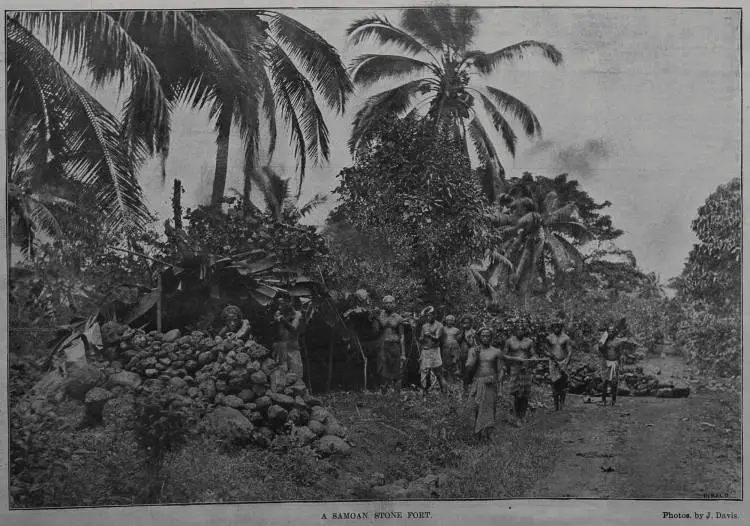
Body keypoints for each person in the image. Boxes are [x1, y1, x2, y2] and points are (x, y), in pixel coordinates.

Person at [465, 327, 503, 441]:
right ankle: (477, 433)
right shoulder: (473, 350)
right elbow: (468, 368)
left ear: (491, 337)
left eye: (487, 336)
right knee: (476, 408)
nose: (485, 338)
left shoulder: (496, 351)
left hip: (491, 383)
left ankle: (489, 433)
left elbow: (500, 370)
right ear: (479, 337)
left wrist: (500, 388)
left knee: (491, 408)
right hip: (478, 382)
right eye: (483, 336)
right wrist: (475, 357)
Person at [503, 319, 542, 425]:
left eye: (522, 329)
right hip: (515, 368)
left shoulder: (529, 341)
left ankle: (523, 415)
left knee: (525, 394)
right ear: (515, 330)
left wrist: (534, 357)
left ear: (525, 331)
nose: (520, 331)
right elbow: (504, 355)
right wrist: (515, 359)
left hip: (526, 369)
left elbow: (534, 353)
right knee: (516, 393)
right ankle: (517, 417)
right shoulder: (510, 341)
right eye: (518, 329)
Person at [373, 295, 406, 391]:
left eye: (390, 303)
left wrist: (403, 354)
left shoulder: (399, 318)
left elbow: (402, 336)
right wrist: (374, 318)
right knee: (382, 370)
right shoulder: (379, 316)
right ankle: (384, 394)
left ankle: (397, 394)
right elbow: (375, 332)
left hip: (395, 346)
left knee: (397, 371)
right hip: (383, 346)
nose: (388, 305)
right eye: (386, 303)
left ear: (394, 304)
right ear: (383, 304)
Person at [543, 319, 573, 411]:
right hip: (553, 363)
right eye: (554, 326)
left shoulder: (566, 338)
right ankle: (555, 404)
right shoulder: (549, 338)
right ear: (552, 327)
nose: (556, 328)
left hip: (563, 362)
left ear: (561, 327)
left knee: (563, 384)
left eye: (558, 326)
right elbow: (544, 349)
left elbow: (569, 351)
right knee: (554, 383)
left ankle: (562, 403)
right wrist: (549, 355)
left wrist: (566, 362)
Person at [598, 318, 627, 406]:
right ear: (607, 332)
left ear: (614, 332)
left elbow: (620, 353)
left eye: (612, 331)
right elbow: (601, 350)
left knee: (614, 382)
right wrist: (602, 342)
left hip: (614, 363)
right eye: (609, 331)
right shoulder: (604, 340)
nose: (610, 333)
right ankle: (603, 400)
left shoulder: (617, 341)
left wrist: (620, 364)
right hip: (606, 363)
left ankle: (613, 400)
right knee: (605, 382)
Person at [273, 297, 304, 378]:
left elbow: (293, 329)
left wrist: (283, 321)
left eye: (282, 304)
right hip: (281, 349)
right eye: (279, 304)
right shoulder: (280, 313)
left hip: (292, 348)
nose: (280, 307)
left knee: (296, 376)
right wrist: (276, 321)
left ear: (289, 303)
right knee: (281, 378)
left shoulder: (297, 314)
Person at [419, 331, 446, 396]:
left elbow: (439, 340)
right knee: (425, 374)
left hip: (435, 352)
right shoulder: (424, 326)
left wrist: (430, 335)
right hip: (426, 351)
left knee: (439, 374)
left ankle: (445, 394)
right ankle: (425, 394)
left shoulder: (439, 326)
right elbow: (421, 340)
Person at [457, 315, 477, 388]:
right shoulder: (461, 332)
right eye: (464, 322)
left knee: (470, 371)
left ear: (471, 323)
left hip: (471, 355)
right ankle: (465, 388)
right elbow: (458, 341)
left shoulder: (473, 332)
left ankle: (471, 386)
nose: (466, 324)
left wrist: (466, 338)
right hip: (463, 355)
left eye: (468, 323)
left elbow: (471, 344)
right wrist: (463, 332)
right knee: (464, 372)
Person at [442, 315, 462, 382]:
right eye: (448, 320)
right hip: (445, 348)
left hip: (454, 349)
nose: (449, 321)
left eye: (451, 320)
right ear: (446, 321)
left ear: (453, 321)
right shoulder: (443, 329)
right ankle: (446, 380)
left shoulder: (457, 330)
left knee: (454, 363)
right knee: (446, 364)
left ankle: (454, 380)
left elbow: (459, 340)